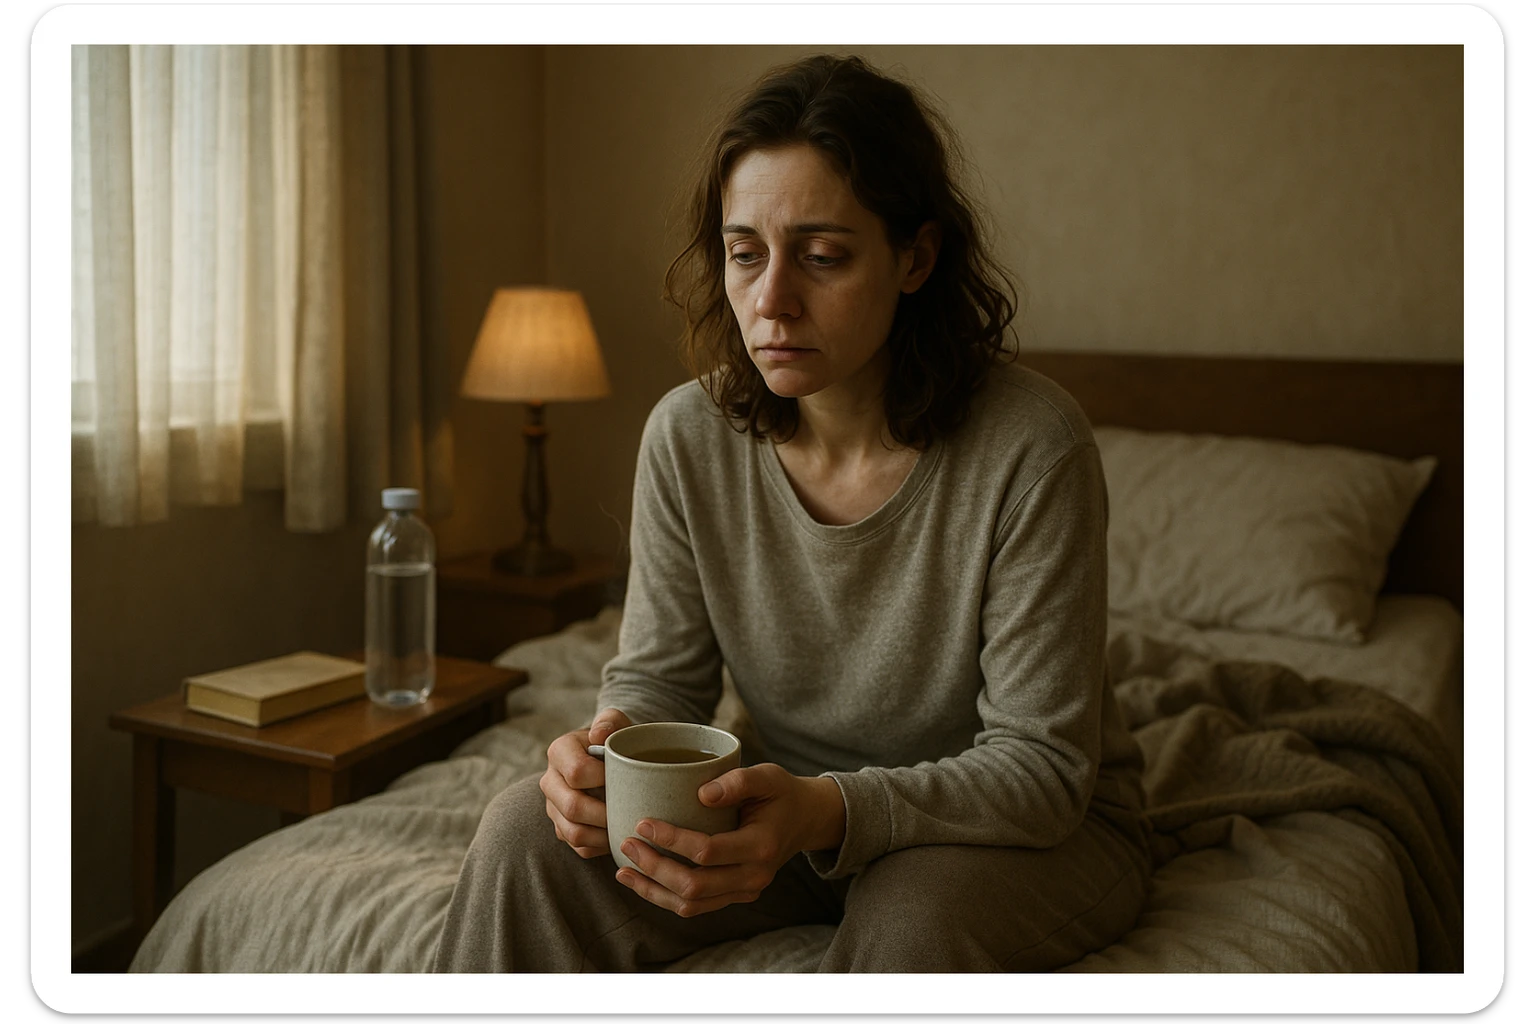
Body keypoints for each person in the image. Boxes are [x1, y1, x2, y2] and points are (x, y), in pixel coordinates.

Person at [430, 53, 1152, 973]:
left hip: (1020, 829)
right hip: (783, 815)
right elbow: (661, 684)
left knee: (910, 915)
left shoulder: (1033, 447)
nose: (770, 302)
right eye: (744, 254)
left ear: (915, 258)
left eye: (822, 256)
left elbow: (1044, 772)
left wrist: (829, 810)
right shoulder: (688, 435)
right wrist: (607, 754)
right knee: (517, 835)